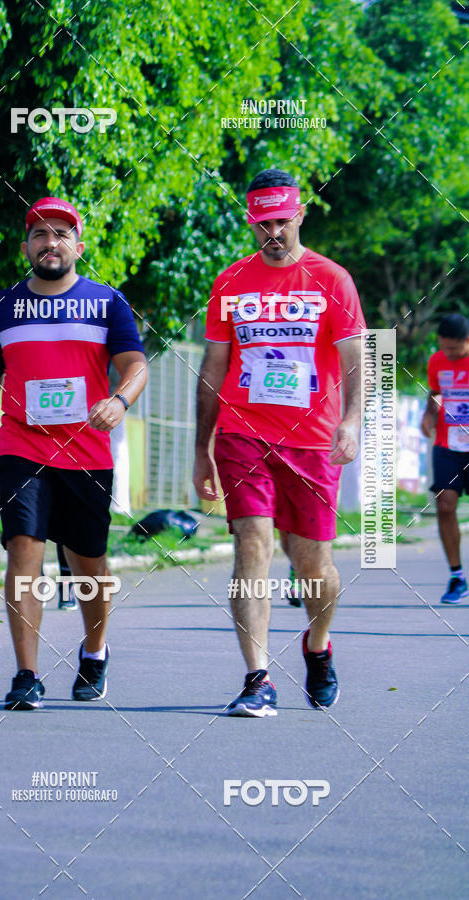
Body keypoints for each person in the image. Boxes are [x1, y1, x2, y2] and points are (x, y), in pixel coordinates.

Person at [193, 168, 365, 717]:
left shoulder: (331, 279)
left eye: (282, 221)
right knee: (253, 547)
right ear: (251, 222)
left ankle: (317, 646)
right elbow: (214, 365)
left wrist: (353, 420)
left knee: (313, 563)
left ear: (301, 215)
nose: (273, 233)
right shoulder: (230, 281)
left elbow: (355, 357)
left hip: (312, 442)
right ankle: (257, 677)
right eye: (263, 223)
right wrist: (202, 447)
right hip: (244, 436)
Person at [0, 197, 148, 709]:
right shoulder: (2, 308)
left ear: (79, 244)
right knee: (23, 549)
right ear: (27, 245)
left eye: (61, 234)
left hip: (87, 453)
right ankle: (26, 674)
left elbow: (136, 364)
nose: (51, 243)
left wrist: (119, 400)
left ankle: (94, 651)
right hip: (22, 448)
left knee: (88, 562)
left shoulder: (106, 302)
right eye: (40, 234)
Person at [421, 313, 469, 604]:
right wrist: (430, 412)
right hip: (448, 443)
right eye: (443, 347)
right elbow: (436, 392)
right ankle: (457, 576)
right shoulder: (437, 361)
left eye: (454, 349)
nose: (448, 354)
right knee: (445, 503)